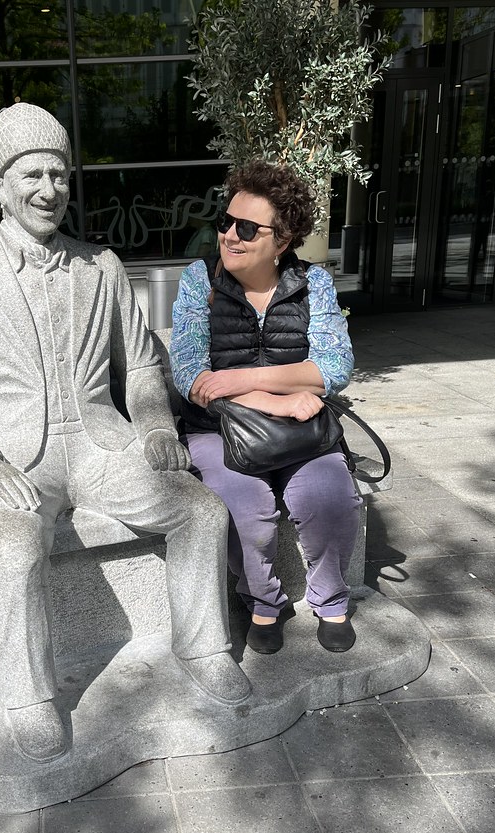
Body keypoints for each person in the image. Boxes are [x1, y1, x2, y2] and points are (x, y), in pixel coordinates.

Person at [0, 103, 251, 765]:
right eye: (32, 174)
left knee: (200, 511)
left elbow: (145, 364)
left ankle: (204, 649)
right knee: (13, 551)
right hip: (14, 456)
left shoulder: (102, 267)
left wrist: (153, 425)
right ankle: (28, 698)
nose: (48, 189)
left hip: (100, 443)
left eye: (60, 174)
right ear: (0, 185)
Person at [170, 160, 362, 656]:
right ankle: (263, 600)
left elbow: (333, 368)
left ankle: (329, 595)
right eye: (226, 222)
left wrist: (240, 379)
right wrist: (277, 399)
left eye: (248, 228)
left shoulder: (312, 284)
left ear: (282, 240)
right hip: (218, 429)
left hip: (301, 432)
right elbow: (192, 377)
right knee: (242, 508)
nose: (230, 235)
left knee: (331, 497)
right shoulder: (199, 281)